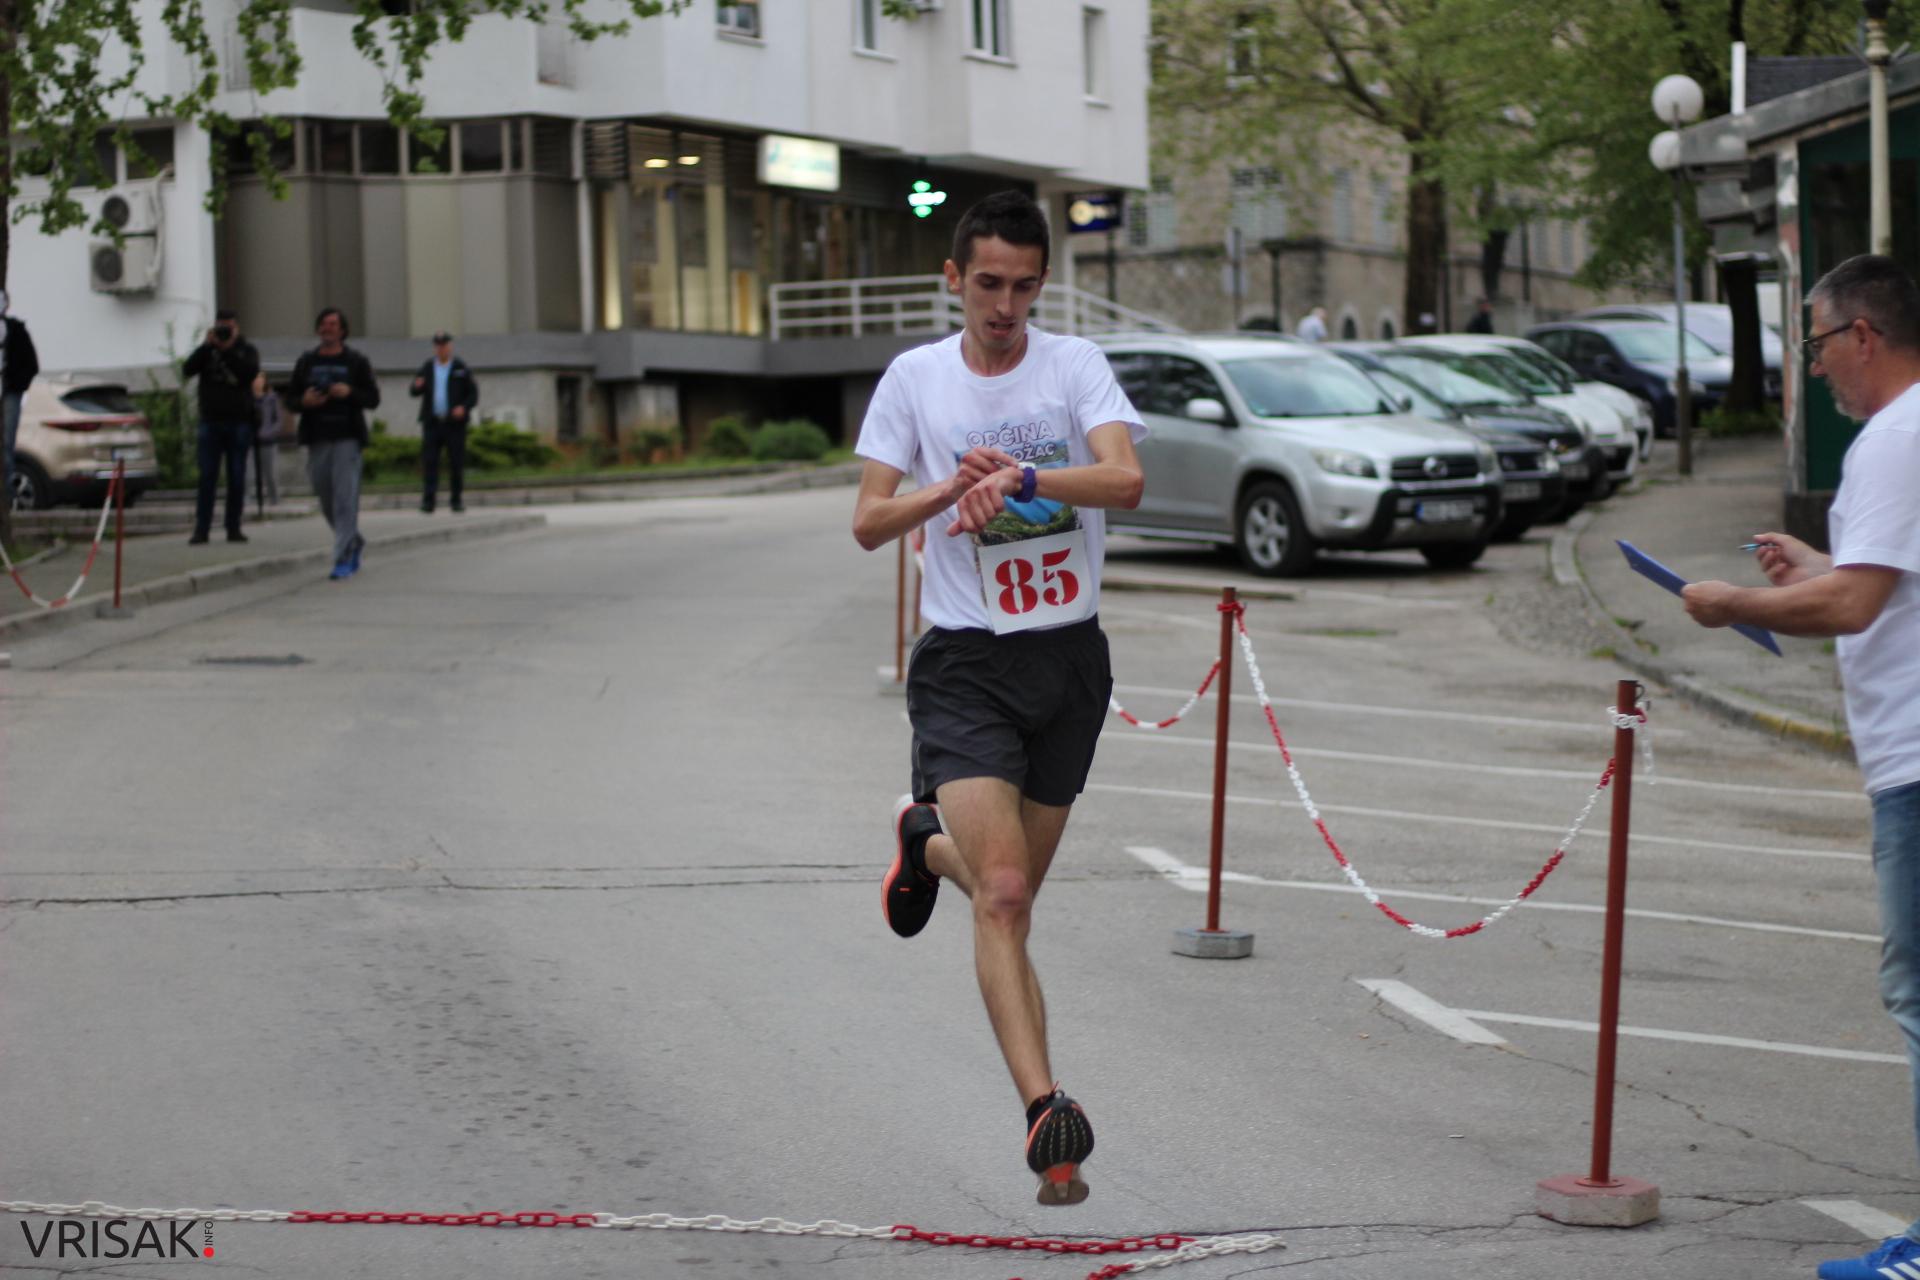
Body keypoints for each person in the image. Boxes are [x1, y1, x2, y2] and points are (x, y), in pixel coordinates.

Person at [850, 190, 1146, 1207]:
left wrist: (1025, 476)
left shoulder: (1072, 367)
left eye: (1025, 285)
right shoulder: (914, 379)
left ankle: (922, 837)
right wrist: (955, 489)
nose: (1006, 305)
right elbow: (868, 520)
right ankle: (1046, 1116)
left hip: (1067, 665)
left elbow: (1125, 481)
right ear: (953, 279)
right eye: (988, 283)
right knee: (1008, 892)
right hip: (967, 663)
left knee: (1001, 896)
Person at [1680, 254, 1920, 1280]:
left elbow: (1852, 608)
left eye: (1816, 341)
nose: (1812, 364)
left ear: (1863, 334)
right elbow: (1873, 581)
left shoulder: (1893, 438)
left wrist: (1736, 602)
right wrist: (1822, 566)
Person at [290, 308, 380, 580]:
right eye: (323, 324)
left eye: (333, 324)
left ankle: (342, 557)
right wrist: (304, 401)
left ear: (342, 330)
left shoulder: (355, 361)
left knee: (345, 499)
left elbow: (372, 398)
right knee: (326, 498)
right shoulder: (306, 361)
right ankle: (353, 540)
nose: (327, 328)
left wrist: (350, 392)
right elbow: (290, 399)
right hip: (317, 438)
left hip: (347, 439)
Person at [409, 331, 479, 513]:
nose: (441, 348)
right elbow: (414, 390)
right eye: (438, 345)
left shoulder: (460, 367)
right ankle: (428, 501)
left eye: (444, 344)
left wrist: (463, 407)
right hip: (432, 422)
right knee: (430, 461)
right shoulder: (427, 367)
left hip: (454, 424)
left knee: (456, 462)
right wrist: (416, 386)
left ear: (450, 346)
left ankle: (456, 500)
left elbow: (473, 394)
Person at [1, 289, 40, 510]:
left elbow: (30, 364)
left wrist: (15, 385)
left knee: (6, 445)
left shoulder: (16, 331)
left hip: (9, 393)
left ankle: (6, 495)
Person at [251, 372, 283, 506]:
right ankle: (248, 500)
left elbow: (278, 420)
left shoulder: (272, 398)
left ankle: (274, 499)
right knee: (249, 474)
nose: (257, 381)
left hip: (268, 441)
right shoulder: (246, 398)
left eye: (260, 378)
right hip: (250, 442)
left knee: (270, 473)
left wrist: (269, 432)